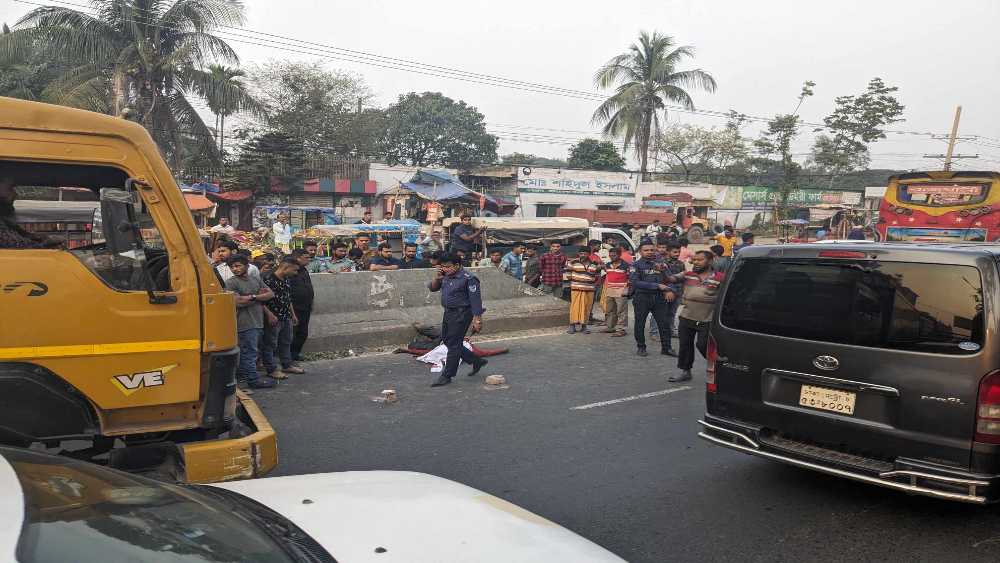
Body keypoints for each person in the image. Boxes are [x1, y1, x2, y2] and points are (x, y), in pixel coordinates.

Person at [427, 253, 488, 387]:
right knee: (447, 340)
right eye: (443, 266)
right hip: (448, 312)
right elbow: (432, 288)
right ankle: (475, 360)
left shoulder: (469, 278)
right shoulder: (445, 276)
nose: (445, 269)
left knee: (454, 343)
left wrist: (477, 319)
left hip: (462, 313)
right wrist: (437, 278)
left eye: (448, 267)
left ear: (457, 265)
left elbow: (476, 300)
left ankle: (447, 375)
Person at [669, 250, 725, 382]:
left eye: (700, 260)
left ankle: (719, 367)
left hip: (707, 318)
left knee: (703, 345)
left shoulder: (720, 277)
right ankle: (685, 371)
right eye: (694, 260)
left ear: (710, 261)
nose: (696, 262)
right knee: (685, 346)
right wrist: (662, 270)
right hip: (687, 316)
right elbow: (670, 279)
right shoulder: (688, 275)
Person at [225, 254, 276, 390]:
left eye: (238, 266)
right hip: (244, 322)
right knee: (250, 352)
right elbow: (237, 301)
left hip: (258, 320)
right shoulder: (231, 282)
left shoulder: (255, 279)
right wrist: (259, 297)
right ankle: (253, 380)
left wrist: (252, 296)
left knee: (251, 351)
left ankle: (244, 376)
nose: (234, 269)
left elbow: (270, 294)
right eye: (232, 267)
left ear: (247, 266)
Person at [261, 256, 304, 380]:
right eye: (294, 270)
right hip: (273, 317)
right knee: (270, 344)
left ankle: (287, 364)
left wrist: (293, 314)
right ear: (286, 267)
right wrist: (269, 315)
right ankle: (271, 369)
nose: (296, 273)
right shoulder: (268, 279)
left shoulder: (286, 279)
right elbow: (261, 301)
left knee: (286, 341)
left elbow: (287, 298)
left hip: (286, 316)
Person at [629, 239, 673, 357]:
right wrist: (657, 285)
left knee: (664, 324)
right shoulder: (635, 265)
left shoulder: (661, 264)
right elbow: (635, 282)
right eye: (646, 250)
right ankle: (641, 347)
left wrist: (668, 289)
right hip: (642, 297)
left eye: (652, 250)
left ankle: (667, 348)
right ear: (640, 251)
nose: (649, 252)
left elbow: (670, 279)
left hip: (659, 298)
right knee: (640, 323)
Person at [659, 241, 686, 355]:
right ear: (668, 252)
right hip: (667, 292)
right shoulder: (662, 263)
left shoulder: (681, 263)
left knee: (672, 313)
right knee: (663, 313)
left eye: (678, 252)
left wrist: (683, 292)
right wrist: (667, 290)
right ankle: (658, 332)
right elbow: (662, 278)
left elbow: (683, 278)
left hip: (678, 291)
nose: (677, 254)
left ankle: (671, 330)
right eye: (674, 252)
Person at [563, 249, 599, 334]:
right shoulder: (573, 262)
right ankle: (572, 326)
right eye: (581, 253)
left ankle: (584, 326)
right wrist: (576, 282)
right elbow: (568, 274)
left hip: (589, 289)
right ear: (579, 254)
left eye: (585, 253)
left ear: (589, 254)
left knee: (587, 308)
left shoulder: (594, 264)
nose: (583, 255)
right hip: (576, 288)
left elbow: (597, 276)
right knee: (575, 307)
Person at [288, 249, 314, 362]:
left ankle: (295, 354)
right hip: (294, 308)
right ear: (298, 258)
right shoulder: (290, 271)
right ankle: (287, 356)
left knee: (302, 332)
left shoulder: (304, 270)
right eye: (306, 257)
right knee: (292, 333)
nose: (309, 260)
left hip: (306, 306)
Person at [602, 247, 630, 336]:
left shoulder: (626, 266)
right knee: (610, 310)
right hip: (610, 289)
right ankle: (610, 327)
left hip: (621, 290)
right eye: (610, 256)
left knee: (621, 311)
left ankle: (622, 329)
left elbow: (630, 279)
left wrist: (627, 290)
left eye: (614, 255)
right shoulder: (608, 265)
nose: (611, 257)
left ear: (619, 255)